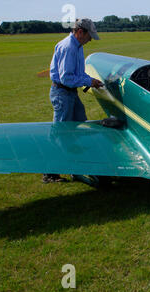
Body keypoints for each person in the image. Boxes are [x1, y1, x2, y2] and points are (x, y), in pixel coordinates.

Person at [43, 18, 104, 183]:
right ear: (79, 32)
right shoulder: (69, 47)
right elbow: (66, 78)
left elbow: (79, 73)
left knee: (80, 126)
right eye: (88, 36)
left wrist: (92, 81)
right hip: (62, 93)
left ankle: (76, 167)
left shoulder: (78, 47)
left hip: (71, 93)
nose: (90, 40)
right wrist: (87, 82)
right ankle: (49, 174)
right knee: (60, 132)